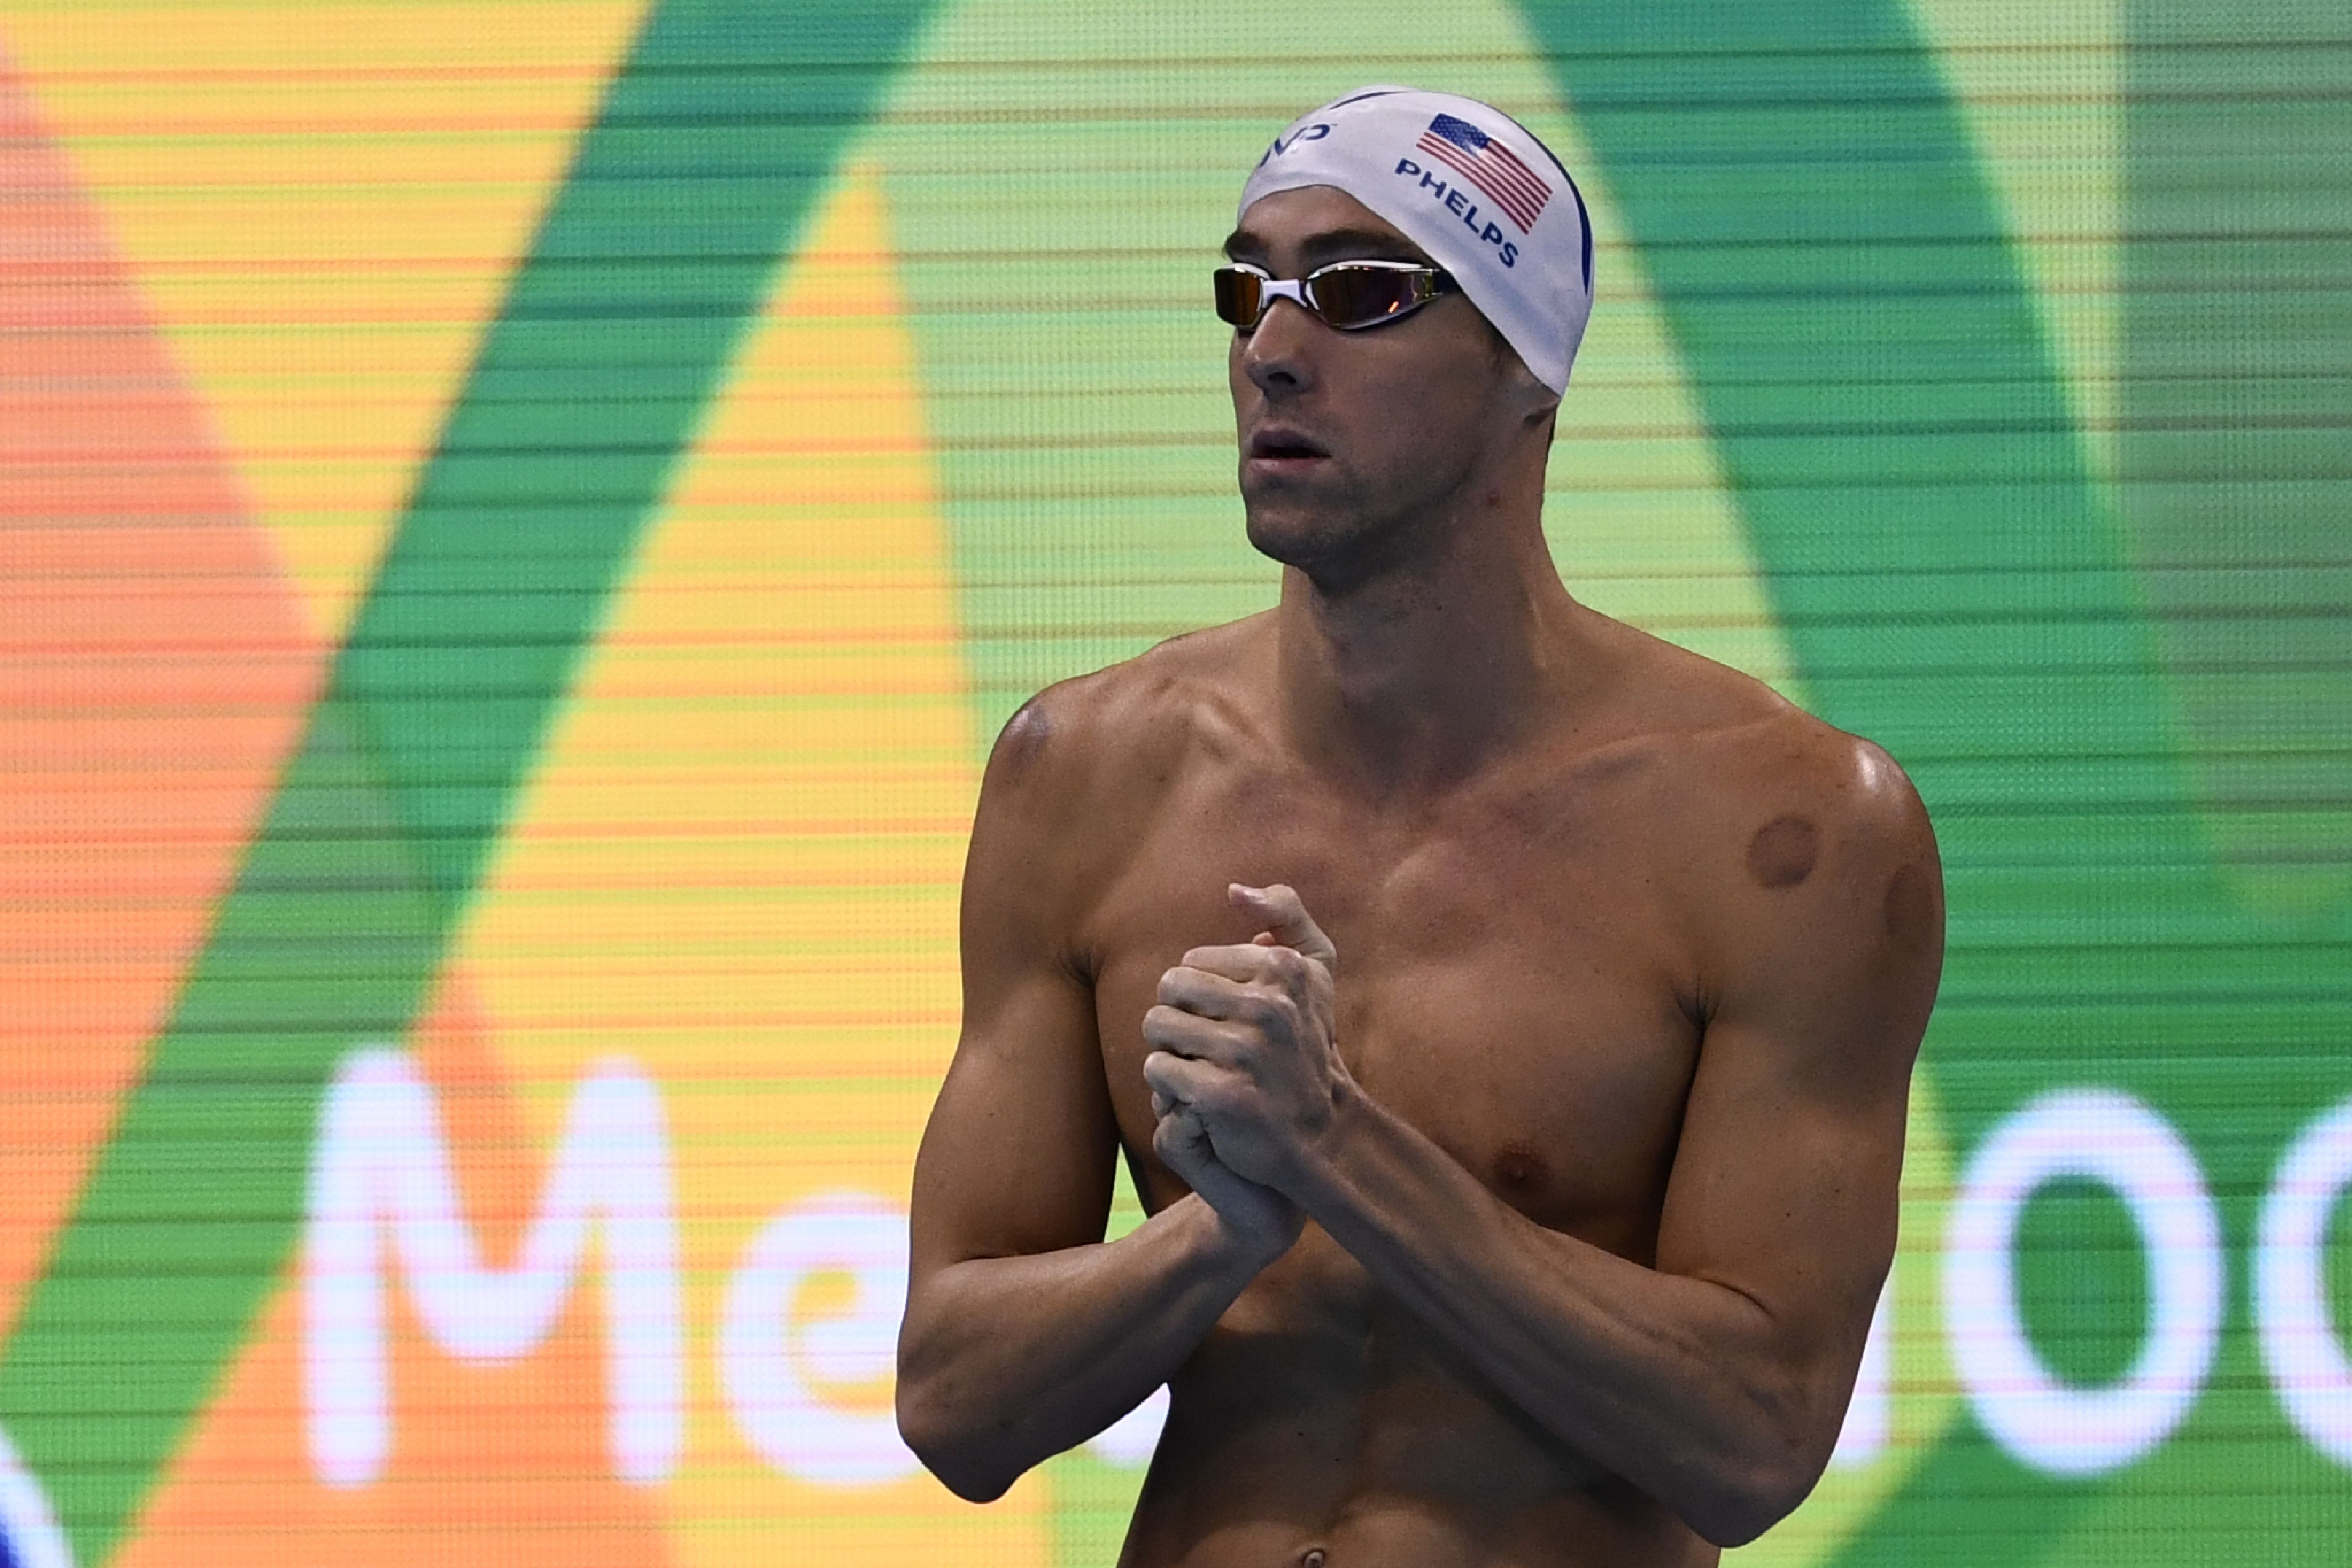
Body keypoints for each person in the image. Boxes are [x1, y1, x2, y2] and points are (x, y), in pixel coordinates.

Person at [895, 85, 1943, 1567]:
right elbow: (952, 1402)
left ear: (1531, 368)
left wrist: (1335, 1151)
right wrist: (1220, 1234)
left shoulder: (1784, 828)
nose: (1272, 350)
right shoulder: (1084, 777)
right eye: (1245, 291)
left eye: (1360, 294)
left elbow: (1753, 1440)